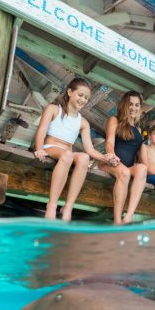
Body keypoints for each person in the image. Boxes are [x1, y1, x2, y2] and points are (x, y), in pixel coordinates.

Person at [34, 78, 117, 222]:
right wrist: (39, 148)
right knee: (67, 154)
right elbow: (41, 131)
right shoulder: (53, 109)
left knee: (84, 157)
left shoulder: (83, 122)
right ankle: (52, 205)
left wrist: (107, 158)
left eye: (86, 97)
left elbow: (90, 150)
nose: (83, 99)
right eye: (80, 95)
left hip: (67, 154)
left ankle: (68, 206)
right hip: (50, 147)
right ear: (70, 92)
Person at [98, 90, 147, 224]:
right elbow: (109, 141)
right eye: (130, 104)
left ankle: (129, 216)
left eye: (137, 105)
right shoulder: (115, 120)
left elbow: (142, 158)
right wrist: (111, 155)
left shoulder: (138, 130)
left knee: (142, 168)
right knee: (124, 172)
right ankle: (117, 221)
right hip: (110, 163)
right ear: (125, 104)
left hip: (127, 167)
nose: (133, 108)